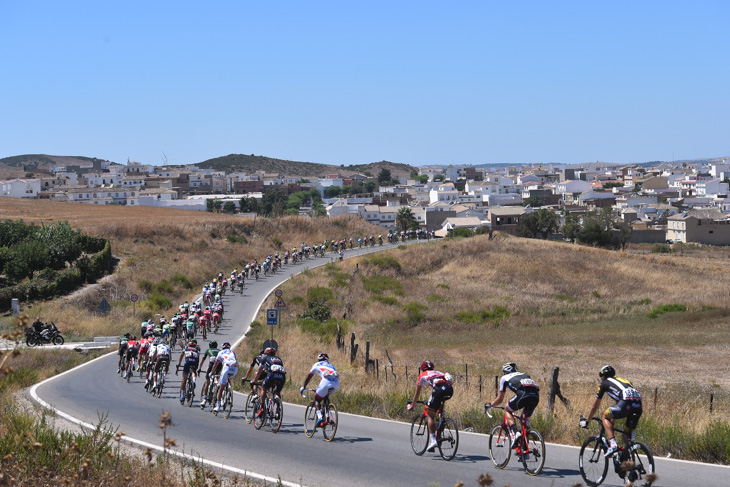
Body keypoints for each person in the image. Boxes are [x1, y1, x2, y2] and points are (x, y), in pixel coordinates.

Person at [580, 365, 643, 458]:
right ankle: (632, 467)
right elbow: (619, 404)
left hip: (626, 404)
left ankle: (613, 445)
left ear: (602, 377)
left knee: (605, 416)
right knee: (626, 438)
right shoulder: (623, 381)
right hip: (638, 406)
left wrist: (587, 421)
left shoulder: (604, 383)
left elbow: (594, 406)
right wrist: (612, 422)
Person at [485, 362, 540, 449]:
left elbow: (500, 399)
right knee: (524, 421)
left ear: (506, 371)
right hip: (536, 396)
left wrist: (490, 405)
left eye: (504, 372)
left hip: (523, 394)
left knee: (507, 410)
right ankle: (525, 450)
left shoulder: (504, 378)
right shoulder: (524, 374)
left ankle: (516, 433)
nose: (503, 374)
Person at [407, 360, 453, 452]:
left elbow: (417, 392)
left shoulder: (423, 374)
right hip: (449, 390)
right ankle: (441, 421)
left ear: (422, 369)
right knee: (437, 405)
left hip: (439, 390)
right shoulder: (438, 372)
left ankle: (433, 441)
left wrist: (412, 405)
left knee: (430, 414)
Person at [300, 353, 340, 427]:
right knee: (325, 397)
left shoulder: (316, 364)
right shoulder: (331, 365)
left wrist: (304, 386)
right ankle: (327, 418)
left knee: (317, 399)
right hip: (336, 383)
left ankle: (320, 417)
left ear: (319, 359)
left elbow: (309, 376)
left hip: (326, 381)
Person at [251, 347, 286, 417]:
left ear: (266, 353)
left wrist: (254, 381)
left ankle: (261, 409)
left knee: (264, 388)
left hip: (272, 374)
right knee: (277, 392)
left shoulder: (265, 358)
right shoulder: (279, 359)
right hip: (282, 375)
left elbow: (259, 372)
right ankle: (277, 409)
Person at [212, 342, 239, 413]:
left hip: (226, 367)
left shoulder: (220, 353)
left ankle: (217, 407)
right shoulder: (232, 352)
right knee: (229, 378)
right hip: (235, 368)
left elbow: (215, 364)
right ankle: (229, 388)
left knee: (221, 387)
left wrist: (211, 372)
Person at [198, 340, 222, 408]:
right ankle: (216, 383)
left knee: (207, 381)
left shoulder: (208, 350)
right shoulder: (219, 351)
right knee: (215, 375)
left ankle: (205, 399)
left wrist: (199, 368)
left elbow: (203, 360)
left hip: (212, 365)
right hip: (219, 365)